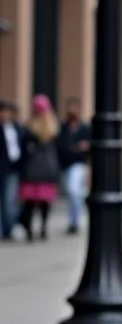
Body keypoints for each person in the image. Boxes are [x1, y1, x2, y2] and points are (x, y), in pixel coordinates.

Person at [17, 94, 61, 241]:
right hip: (48, 168)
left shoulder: (29, 127)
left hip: (32, 169)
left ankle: (29, 228)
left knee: (30, 202)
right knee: (44, 202)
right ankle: (43, 227)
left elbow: (22, 150)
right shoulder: (53, 126)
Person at [58, 97, 91, 234]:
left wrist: (86, 146)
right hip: (65, 164)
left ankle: (75, 221)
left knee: (73, 191)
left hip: (79, 163)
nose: (71, 110)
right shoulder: (63, 127)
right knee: (72, 194)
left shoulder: (84, 128)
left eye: (74, 107)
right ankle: (73, 219)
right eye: (69, 107)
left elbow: (91, 144)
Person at [0, 100, 24, 240]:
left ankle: (9, 227)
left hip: (14, 167)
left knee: (10, 200)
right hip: (2, 167)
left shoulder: (16, 128)